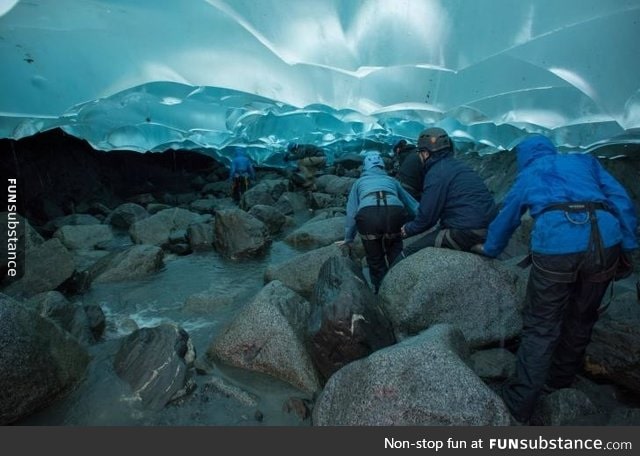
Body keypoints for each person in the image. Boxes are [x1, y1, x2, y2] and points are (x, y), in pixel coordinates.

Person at [473, 134, 638, 425]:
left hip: (557, 246)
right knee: (582, 317)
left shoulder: (529, 173)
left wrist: (490, 249)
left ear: (525, 156)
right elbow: (620, 199)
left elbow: (508, 216)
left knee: (541, 327)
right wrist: (627, 245)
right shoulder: (584, 161)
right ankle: (559, 383)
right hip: (605, 243)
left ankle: (519, 404)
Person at [395, 127, 497, 261]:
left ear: (425, 153)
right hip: (491, 227)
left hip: (467, 230)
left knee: (408, 252)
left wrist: (407, 230)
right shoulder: (460, 166)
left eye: (419, 152)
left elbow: (426, 218)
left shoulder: (436, 173)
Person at [337, 151, 418, 294]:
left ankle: (381, 291)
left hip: (368, 216)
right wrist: (424, 222)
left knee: (375, 258)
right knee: (394, 251)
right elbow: (412, 206)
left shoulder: (359, 183)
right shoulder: (392, 181)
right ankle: (400, 288)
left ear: (365, 167)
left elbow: (352, 213)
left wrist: (348, 239)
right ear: (382, 166)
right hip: (394, 213)